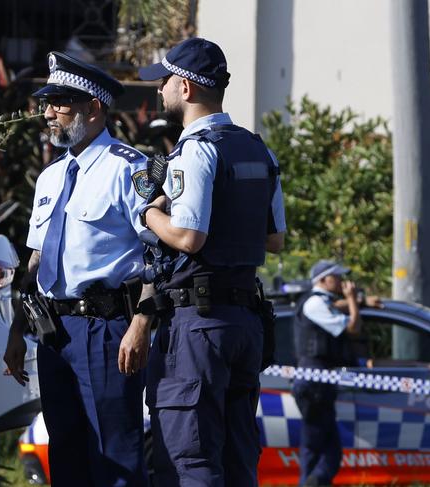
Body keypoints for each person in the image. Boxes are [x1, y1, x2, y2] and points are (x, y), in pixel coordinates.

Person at [137, 37, 286, 486]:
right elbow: (275, 240)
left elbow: (188, 237)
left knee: (190, 460)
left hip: (199, 326)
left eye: (163, 81)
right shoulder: (259, 149)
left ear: (185, 88)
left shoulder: (196, 150)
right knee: (238, 457)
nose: (158, 89)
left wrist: (148, 212)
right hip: (244, 322)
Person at [3, 51, 154, 487]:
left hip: (107, 330)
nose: (48, 113)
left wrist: (141, 323)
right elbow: (35, 260)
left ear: (94, 108)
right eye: (47, 102)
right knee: (65, 457)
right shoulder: (51, 176)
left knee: (115, 458)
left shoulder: (129, 169)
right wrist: (18, 328)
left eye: (61, 103)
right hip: (54, 331)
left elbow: (158, 256)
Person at [292, 260, 380, 486]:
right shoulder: (314, 304)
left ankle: (312, 481)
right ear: (322, 280)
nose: (341, 281)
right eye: (337, 277)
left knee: (324, 448)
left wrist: (361, 301)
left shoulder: (321, 302)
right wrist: (353, 300)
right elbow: (353, 328)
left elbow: (335, 306)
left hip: (320, 380)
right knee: (320, 449)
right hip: (314, 381)